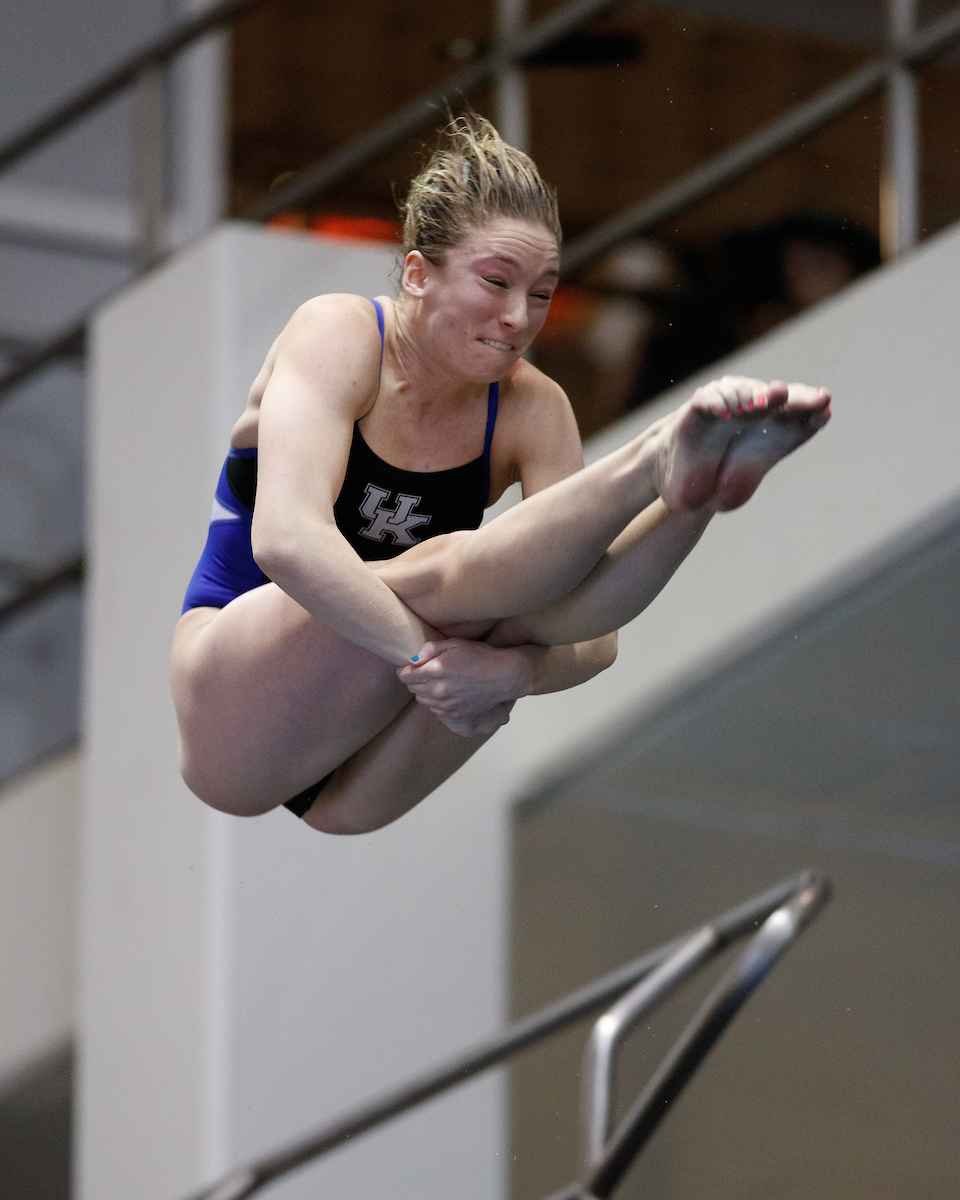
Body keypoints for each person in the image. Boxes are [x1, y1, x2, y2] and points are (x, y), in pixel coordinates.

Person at [171, 115, 831, 836]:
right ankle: (651, 459)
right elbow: (289, 541)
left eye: (543, 293)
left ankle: (693, 493)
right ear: (419, 274)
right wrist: (431, 660)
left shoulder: (533, 406)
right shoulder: (339, 334)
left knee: (529, 610)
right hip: (235, 711)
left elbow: (592, 634)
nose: (519, 318)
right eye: (496, 282)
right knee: (446, 576)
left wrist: (512, 677)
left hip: (365, 782)